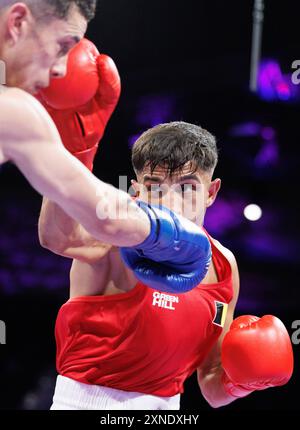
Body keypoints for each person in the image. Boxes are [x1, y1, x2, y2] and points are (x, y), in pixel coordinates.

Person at [39, 89, 294, 409]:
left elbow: (212, 384)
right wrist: (75, 150)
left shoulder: (224, 265)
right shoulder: (117, 234)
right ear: (136, 189)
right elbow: (56, 237)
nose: (169, 202)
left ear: (211, 192)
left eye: (186, 187)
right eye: (155, 187)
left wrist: (240, 382)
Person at [0, 1, 212, 294]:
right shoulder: (11, 110)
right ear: (18, 22)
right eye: (63, 46)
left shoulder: (17, 112)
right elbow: (107, 217)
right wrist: (175, 236)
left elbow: (71, 208)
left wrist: (80, 145)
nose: (62, 69)